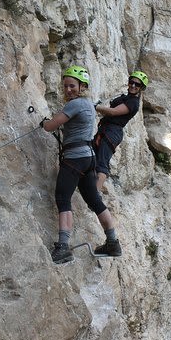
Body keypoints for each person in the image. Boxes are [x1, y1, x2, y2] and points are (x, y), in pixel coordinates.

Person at [40, 65, 122, 263]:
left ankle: (63, 247)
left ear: (82, 86)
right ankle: (113, 242)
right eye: (66, 86)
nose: (68, 90)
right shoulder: (88, 105)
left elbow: (51, 126)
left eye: (72, 86)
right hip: (88, 159)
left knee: (62, 197)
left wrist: (43, 122)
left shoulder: (74, 105)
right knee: (94, 201)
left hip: (75, 158)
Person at [93, 71, 149, 191]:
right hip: (106, 129)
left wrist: (94, 107)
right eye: (131, 82)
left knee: (102, 162)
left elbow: (113, 112)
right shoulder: (126, 97)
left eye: (137, 85)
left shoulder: (133, 102)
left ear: (141, 88)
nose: (133, 86)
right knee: (93, 156)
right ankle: (93, 186)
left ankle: (95, 194)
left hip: (112, 132)